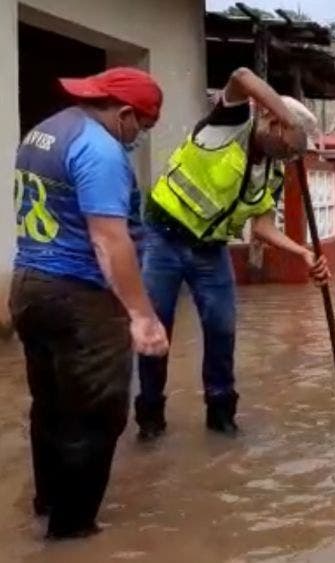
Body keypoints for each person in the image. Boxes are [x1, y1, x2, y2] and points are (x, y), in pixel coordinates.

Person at [9, 67, 169, 539]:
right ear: (124, 114)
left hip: (29, 285)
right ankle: (72, 533)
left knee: (50, 405)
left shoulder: (44, 131)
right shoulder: (100, 150)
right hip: (79, 296)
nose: (139, 137)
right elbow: (108, 240)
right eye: (143, 126)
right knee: (97, 414)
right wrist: (141, 315)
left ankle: (47, 503)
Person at [135, 67, 330, 441]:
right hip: (164, 238)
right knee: (156, 331)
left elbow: (262, 227)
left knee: (222, 330)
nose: (291, 156)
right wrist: (287, 115)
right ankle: (150, 416)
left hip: (210, 250)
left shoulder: (273, 171)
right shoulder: (230, 123)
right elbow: (240, 76)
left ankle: (221, 414)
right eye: (291, 145)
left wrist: (302, 253)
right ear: (273, 122)